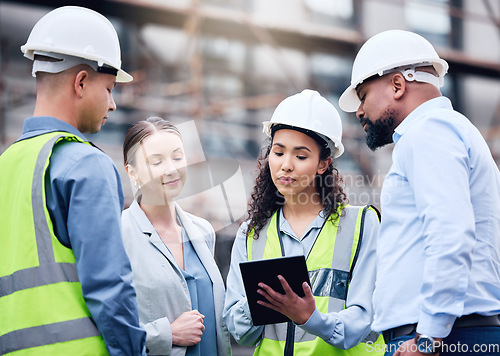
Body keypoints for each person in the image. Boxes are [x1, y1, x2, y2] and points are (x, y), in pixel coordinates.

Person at [339, 29, 500, 356]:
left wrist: (428, 336)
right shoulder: (445, 131)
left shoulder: (430, 131)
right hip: (446, 333)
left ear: (397, 85)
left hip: (442, 338)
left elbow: (450, 232)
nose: (358, 112)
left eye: (364, 95)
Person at [0, 6, 147, 356]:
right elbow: (110, 288)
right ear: (81, 82)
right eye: (110, 89)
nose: (112, 105)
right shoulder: (85, 165)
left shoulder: (6, 164)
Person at [223, 89, 384, 355]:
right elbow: (241, 333)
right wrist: (260, 300)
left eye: (300, 156)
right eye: (278, 152)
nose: (286, 165)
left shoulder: (362, 226)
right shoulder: (251, 234)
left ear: (323, 164)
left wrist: (311, 318)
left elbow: (365, 319)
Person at [121, 117, 232, 356]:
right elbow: (104, 323)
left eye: (177, 157)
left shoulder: (203, 232)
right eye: (156, 161)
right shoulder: (117, 234)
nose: (171, 169)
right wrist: (166, 334)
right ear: (132, 172)